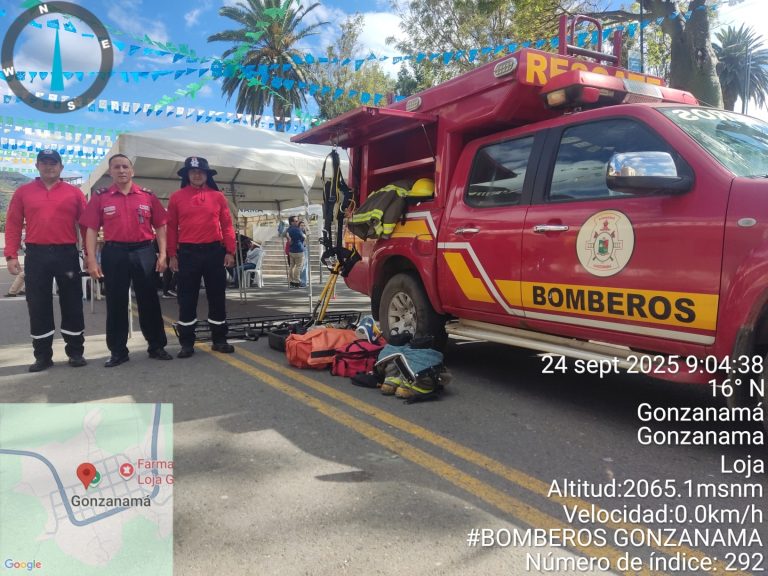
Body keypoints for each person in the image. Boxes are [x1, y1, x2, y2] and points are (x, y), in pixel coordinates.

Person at [81, 153, 173, 367]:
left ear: (132, 170)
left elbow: (161, 226)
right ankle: (118, 351)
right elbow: (92, 229)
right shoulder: (101, 197)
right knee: (116, 302)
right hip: (114, 253)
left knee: (149, 300)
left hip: (143, 251)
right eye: (116, 167)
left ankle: (156, 346)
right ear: (110, 171)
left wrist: (163, 253)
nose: (121, 170)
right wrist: (92, 259)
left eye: (125, 166)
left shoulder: (147, 196)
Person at [3, 149, 87, 372]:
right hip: (36, 255)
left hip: (66, 254)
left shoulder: (74, 193)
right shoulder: (23, 192)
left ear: (61, 167)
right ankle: (42, 356)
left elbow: (86, 225)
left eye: (53, 163)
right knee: (38, 304)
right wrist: (11, 255)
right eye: (44, 162)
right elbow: (12, 224)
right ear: (37, 166)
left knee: (72, 302)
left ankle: (76, 351)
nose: (49, 166)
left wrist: (89, 254)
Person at [167, 157, 236, 358]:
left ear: (207, 175)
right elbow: (170, 228)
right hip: (188, 253)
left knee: (217, 296)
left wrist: (230, 251)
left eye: (201, 172)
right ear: (187, 175)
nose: (197, 175)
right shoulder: (176, 197)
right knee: (186, 298)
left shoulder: (218, 197)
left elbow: (227, 225)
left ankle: (219, 340)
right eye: (193, 171)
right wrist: (172, 254)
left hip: (214, 252)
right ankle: (187, 343)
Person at [286, 216, 306, 288]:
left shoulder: (288, 229)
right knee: (298, 267)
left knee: (291, 266)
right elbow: (304, 237)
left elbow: (286, 236)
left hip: (291, 250)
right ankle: (296, 281)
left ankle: (291, 281)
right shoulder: (297, 229)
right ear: (292, 222)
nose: (297, 222)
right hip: (299, 250)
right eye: (296, 221)